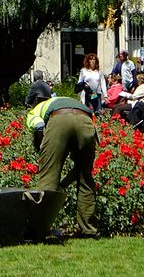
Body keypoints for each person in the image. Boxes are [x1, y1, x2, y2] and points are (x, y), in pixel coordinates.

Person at [27, 92, 99, 236]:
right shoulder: (65, 100)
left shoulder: (34, 111)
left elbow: (39, 127)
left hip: (59, 119)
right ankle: (88, 229)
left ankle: (39, 229)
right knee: (85, 176)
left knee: (48, 178)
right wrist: (63, 185)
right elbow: (77, 170)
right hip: (86, 119)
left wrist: (44, 151)